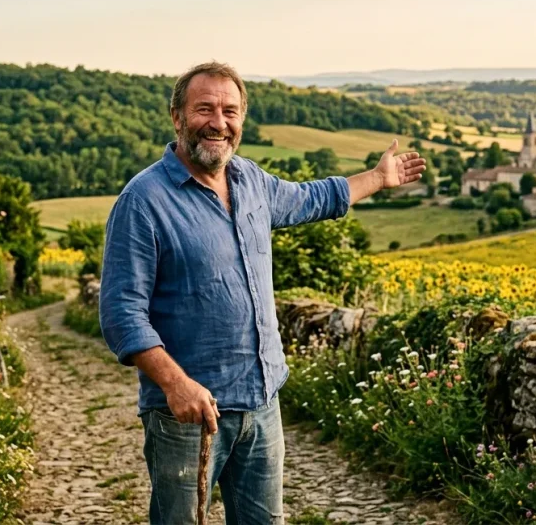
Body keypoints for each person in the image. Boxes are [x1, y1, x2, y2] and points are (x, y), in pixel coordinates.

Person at [99, 61, 426, 524]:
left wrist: (377, 178)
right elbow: (120, 313)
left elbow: (312, 198)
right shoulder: (144, 200)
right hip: (188, 415)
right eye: (204, 109)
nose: (219, 123)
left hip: (262, 403)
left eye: (230, 111)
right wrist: (175, 384)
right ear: (176, 117)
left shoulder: (250, 180)